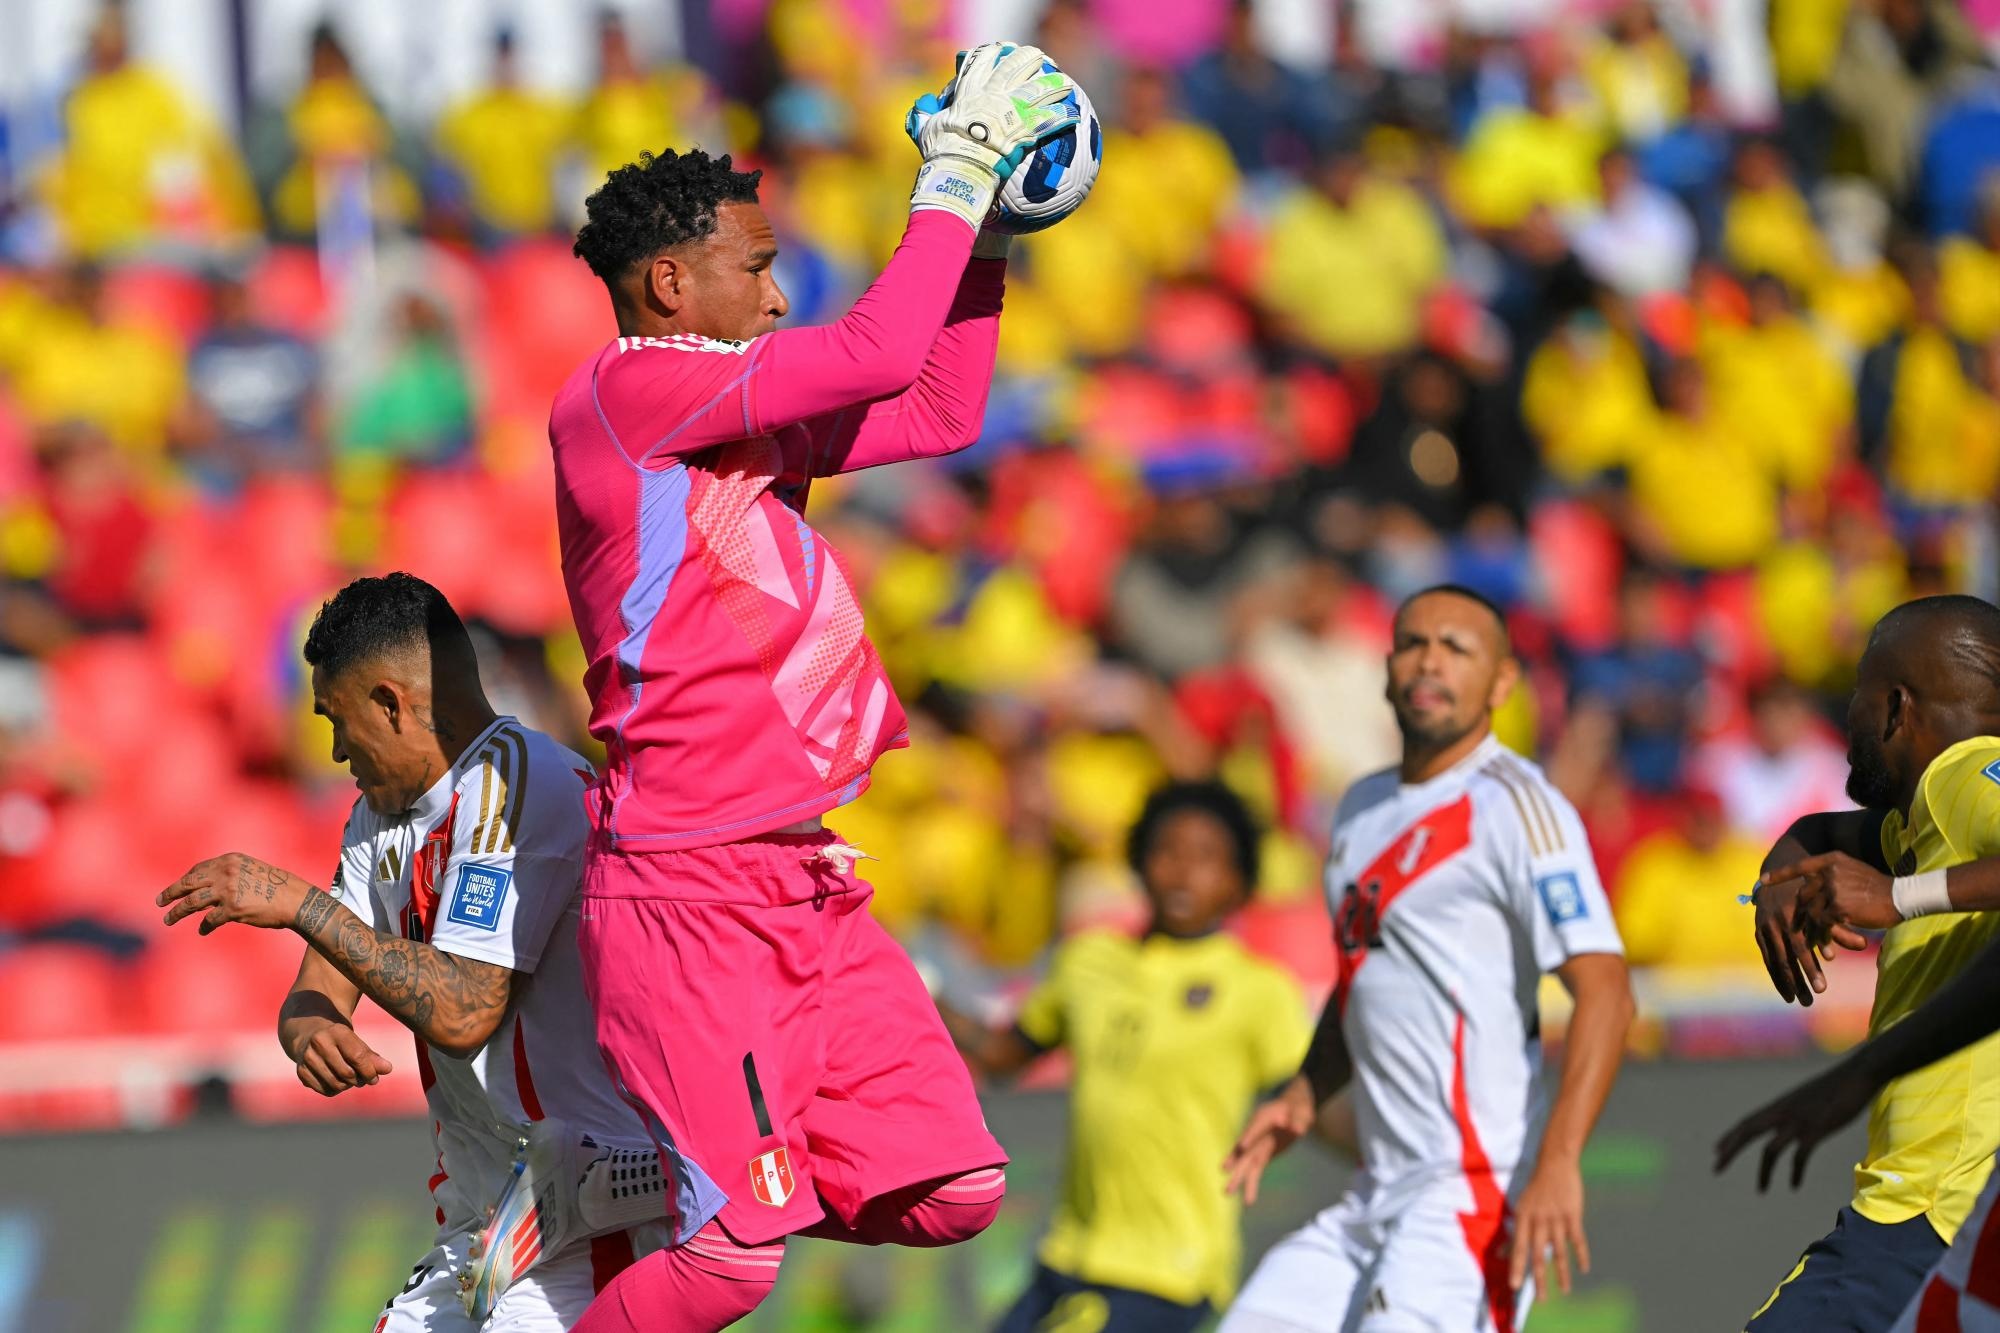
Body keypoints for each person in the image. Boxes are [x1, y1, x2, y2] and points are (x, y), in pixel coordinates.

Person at [545, 43, 1081, 1332]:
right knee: (734, 1264)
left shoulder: (726, 415)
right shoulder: (626, 394)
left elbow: (941, 408)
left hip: (797, 880)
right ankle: (675, 1206)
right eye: (759, 266)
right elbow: (880, 347)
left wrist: (992, 237)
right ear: (669, 281)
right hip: (686, 891)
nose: (779, 297)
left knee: (954, 1190)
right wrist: (951, 175)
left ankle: (667, 1184)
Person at [157, 573, 692, 1331]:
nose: (337, 748)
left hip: (589, 1221)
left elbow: (465, 1007)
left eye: (337, 720)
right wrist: (312, 1032)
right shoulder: (379, 818)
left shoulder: (522, 788)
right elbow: (318, 988)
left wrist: (301, 904)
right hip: (481, 1229)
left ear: (390, 701)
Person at [1219, 585, 1635, 1333]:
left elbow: (1605, 989)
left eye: (1457, 647)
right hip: (1374, 1195)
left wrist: (1560, 1160)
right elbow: (1364, 978)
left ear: (1503, 682)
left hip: (1471, 1193)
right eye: (1413, 643)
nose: (1430, 661)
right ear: (1386, 670)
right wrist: (1306, 1090)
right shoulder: (1360, 807)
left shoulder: (1517, 805)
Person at [1720, 594, 2000, 1330]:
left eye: (1855, 693)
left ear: (1896, 706)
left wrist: (1898, 894)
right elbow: (1828, 829)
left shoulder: (1969, 774)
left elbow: (1892, 871)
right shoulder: (1930, 816)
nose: (1843, 719)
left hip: (1927, 1217)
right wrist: (1786, 868)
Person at [940, 780, 1311, 1332]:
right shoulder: (1090, 959)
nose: (1183, 872)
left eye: (1207, 858)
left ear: (1238, 882)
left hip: (1172, 1268)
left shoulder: (1260, 990)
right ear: (1139, 862)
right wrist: (924, 1000)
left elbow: (1309, 1098)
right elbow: (1005, 1056)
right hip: (1071, 1250)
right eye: (1167, 851)